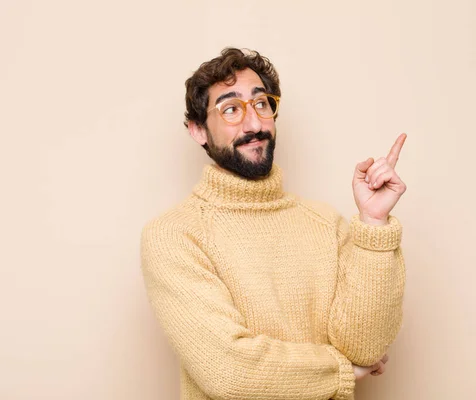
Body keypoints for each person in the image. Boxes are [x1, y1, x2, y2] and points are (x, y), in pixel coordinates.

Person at [140, 47, 407, 400]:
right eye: (231, 109)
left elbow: (365, 347)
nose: (254, 124)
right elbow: (230, 370)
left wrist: (373, 223)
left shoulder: (325, 223)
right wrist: (341, 370)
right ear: (198, 130)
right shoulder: (174, 235)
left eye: (261, 104)